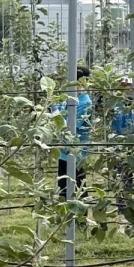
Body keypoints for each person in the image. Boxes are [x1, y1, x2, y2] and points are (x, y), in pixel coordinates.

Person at [53, 65, 92, 198]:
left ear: (81, 83)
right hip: (63, 150)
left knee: (77, 184)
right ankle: (68, 216)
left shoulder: (85, 102)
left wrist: (55, 112)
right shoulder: (68, 98)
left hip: (77, 150)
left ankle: (81, 217)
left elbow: (71, 127)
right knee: (63, 185)